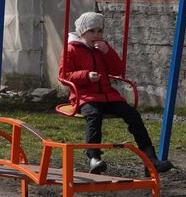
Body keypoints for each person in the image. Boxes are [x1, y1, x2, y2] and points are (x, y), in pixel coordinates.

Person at [59, 11, 173, 175]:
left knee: (133, 115)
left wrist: (108, 52)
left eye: (99, 31)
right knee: (93, 116)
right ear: (82, 32)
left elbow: (117, 70)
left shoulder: (102, 49)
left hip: (108, 95)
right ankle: (94, 157)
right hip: (85, 97)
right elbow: (64, 75)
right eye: (92, 31)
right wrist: (85, 76)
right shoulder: (71, 50)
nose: (96, 35)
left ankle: (150, 159)